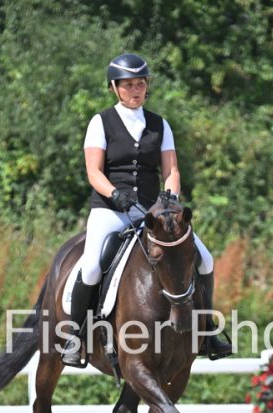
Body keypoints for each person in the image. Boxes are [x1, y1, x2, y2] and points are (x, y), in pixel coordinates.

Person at [61, 52, 233, 366]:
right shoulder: (101, 122)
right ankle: (75, 335)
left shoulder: (159, 125)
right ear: (114, 87)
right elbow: (93, 172)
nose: (136, 90)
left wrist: (169, 199)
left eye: (140, 84)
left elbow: (172, 171)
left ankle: (207, 330)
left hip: (152, 213)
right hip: (111, 210)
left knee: (205, 259)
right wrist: (115, 194)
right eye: (128, 85)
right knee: (93, 266)